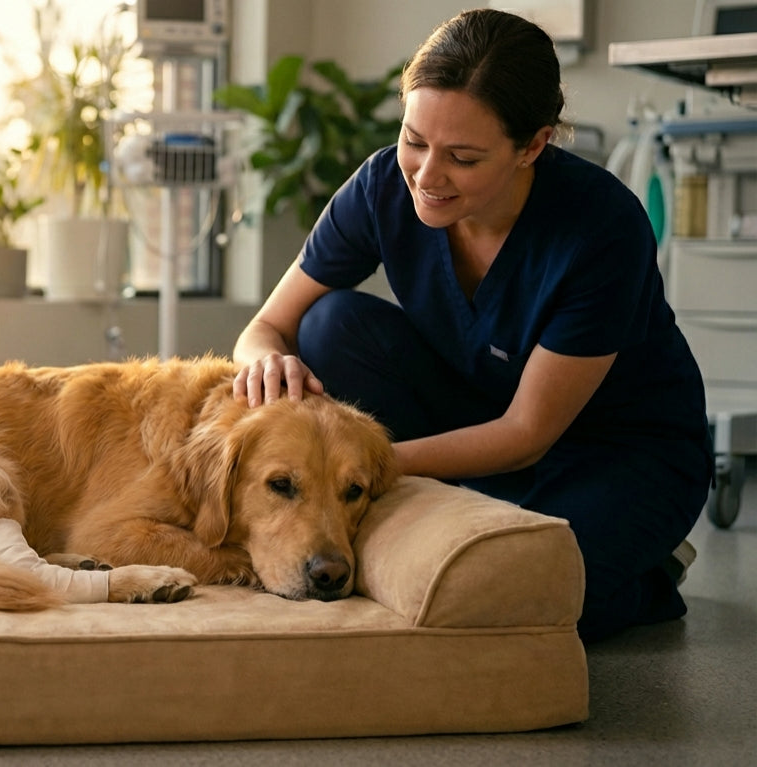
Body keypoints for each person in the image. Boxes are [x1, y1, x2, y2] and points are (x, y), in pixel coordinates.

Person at [231, 8, 712, 643]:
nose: (427, 177)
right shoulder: (382, 186)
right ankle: (478, 505)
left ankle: (648, 573)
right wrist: (266, 358)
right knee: (330, 323)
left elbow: (527, 432)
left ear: (533, 146)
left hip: (615, 450)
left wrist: (361, 474)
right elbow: (266, 326)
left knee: (518, 595)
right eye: (414, 140)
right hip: (476, 409)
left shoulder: (601, 229)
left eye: (463, 157)